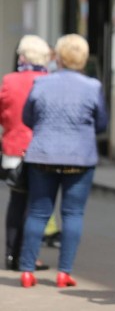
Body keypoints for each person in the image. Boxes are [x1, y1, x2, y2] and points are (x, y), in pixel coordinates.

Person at [19, 34, 109, 289]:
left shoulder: (41, 83)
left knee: (37, 212)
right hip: (79, 157)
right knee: (72, 214)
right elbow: (102, 123)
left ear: (57, 57)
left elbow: (28, 117)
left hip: (43, 155)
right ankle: (63, 273)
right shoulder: (92, 87)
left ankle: (27, 271)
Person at [1, 35, 51, 272]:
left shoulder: (9, 80)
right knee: (36, 205)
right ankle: (28, 258)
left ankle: (11, 254)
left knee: (16, 202)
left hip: (13, 150)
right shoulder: (48, 81)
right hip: (41, 151)